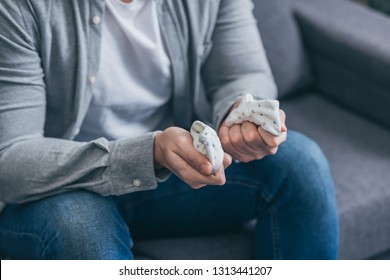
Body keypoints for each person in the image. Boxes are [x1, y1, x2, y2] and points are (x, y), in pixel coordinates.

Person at [0, 0, 339, 259]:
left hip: (165, 178)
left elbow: (241, 73)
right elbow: (11, 157)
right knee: (79, 228)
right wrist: (150, 152)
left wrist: (242, 113)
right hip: (61, 186)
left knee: (301, 163)